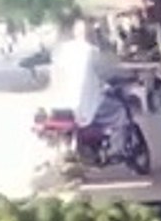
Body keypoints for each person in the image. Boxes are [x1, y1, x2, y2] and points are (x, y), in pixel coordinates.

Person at [48, 14, 129, 147]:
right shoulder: (90, 51)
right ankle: (117, 146)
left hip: (57, 105)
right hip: (82, 105)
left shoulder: (57, 51)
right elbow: (106, 72)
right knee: (120, 110)